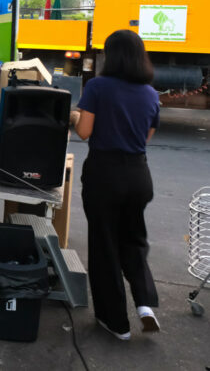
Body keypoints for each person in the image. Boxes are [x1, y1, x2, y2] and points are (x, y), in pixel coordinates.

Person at [70, 29, 161, 340]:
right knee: (134, 240)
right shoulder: (151, 94)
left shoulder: (98, 87)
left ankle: (116, 323)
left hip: (104, 175)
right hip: (139, 175)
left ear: (111, 55)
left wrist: (74, 116)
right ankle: (145, 305)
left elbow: (84, 131)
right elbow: (145, 138)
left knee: (105, 245)